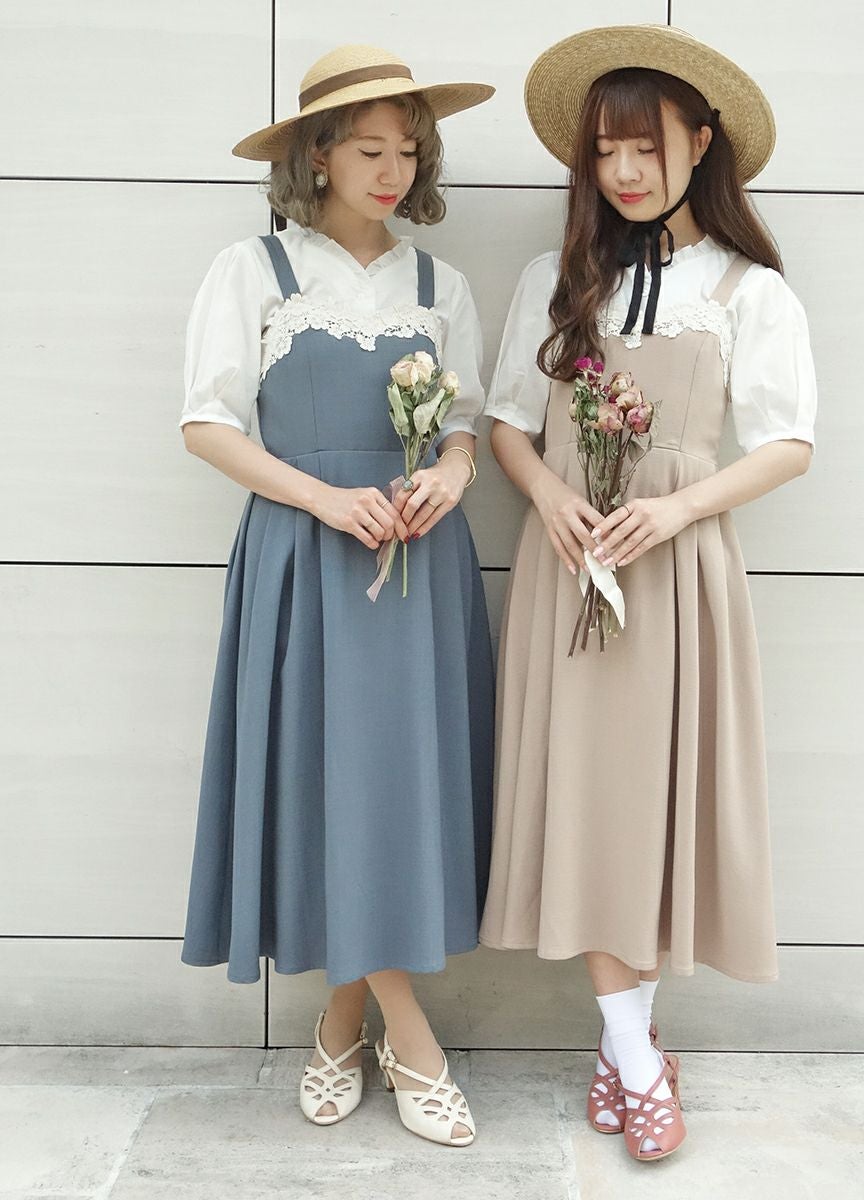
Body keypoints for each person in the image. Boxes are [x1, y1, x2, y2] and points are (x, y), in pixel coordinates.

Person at [479, 24, 817, 1162]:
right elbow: (507, 425)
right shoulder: (555, 280)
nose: (623, 171)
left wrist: (677, 511)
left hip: (676, 570)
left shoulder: (747, 289)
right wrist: (547, 497)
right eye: (604, 151)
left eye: (644, 146)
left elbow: (788, 443)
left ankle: (626, 1048)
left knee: (653, 806)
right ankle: (634, 1058)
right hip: (570, 565)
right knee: (587, 801)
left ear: (699, 143)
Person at [179, 44, 495, 1148]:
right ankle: (413, 1040)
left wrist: (450, 476)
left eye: (408, 150)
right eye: (369, 150)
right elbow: (206, 424)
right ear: (317, 155)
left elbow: (466, 427)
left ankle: (339, 1024)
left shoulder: (439, 286)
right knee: (323, 782)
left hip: (418, 565)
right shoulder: (254, 270)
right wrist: (321, 497)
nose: (392, 170)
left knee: (390, 792)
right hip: (302, 558)